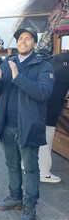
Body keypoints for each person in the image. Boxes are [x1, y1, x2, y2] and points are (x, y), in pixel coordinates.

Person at [0, 27, 54, 220]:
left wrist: (18, 77)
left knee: (31, 168)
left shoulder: (44, 66)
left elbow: (43, 93)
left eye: (27, 39)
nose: (23, 41)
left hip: (28, 125)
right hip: (7, 124)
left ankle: (30, 205)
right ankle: (15, 197)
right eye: (20, 38)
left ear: (34, 43)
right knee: (12, 164)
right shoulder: (8, 64)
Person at [39, 52, 69, 183]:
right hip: (51, 104)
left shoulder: (57, 58)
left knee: (39, 134)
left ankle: (28, 165)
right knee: (46, 137)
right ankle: (43, 172)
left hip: (39, 101)